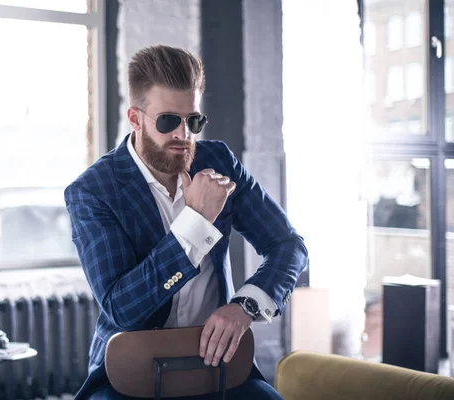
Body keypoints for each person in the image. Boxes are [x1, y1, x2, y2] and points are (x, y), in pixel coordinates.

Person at [64, 44, 308, 399]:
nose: (183, 135)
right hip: (130, 372)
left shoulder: (218, 161)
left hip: (218, 364)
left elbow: (289, 245)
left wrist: (245, 307)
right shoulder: (93, 191)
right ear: (135, 118)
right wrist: (197, 221)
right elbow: (123, 308)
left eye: (193, 121)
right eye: (167, 121)